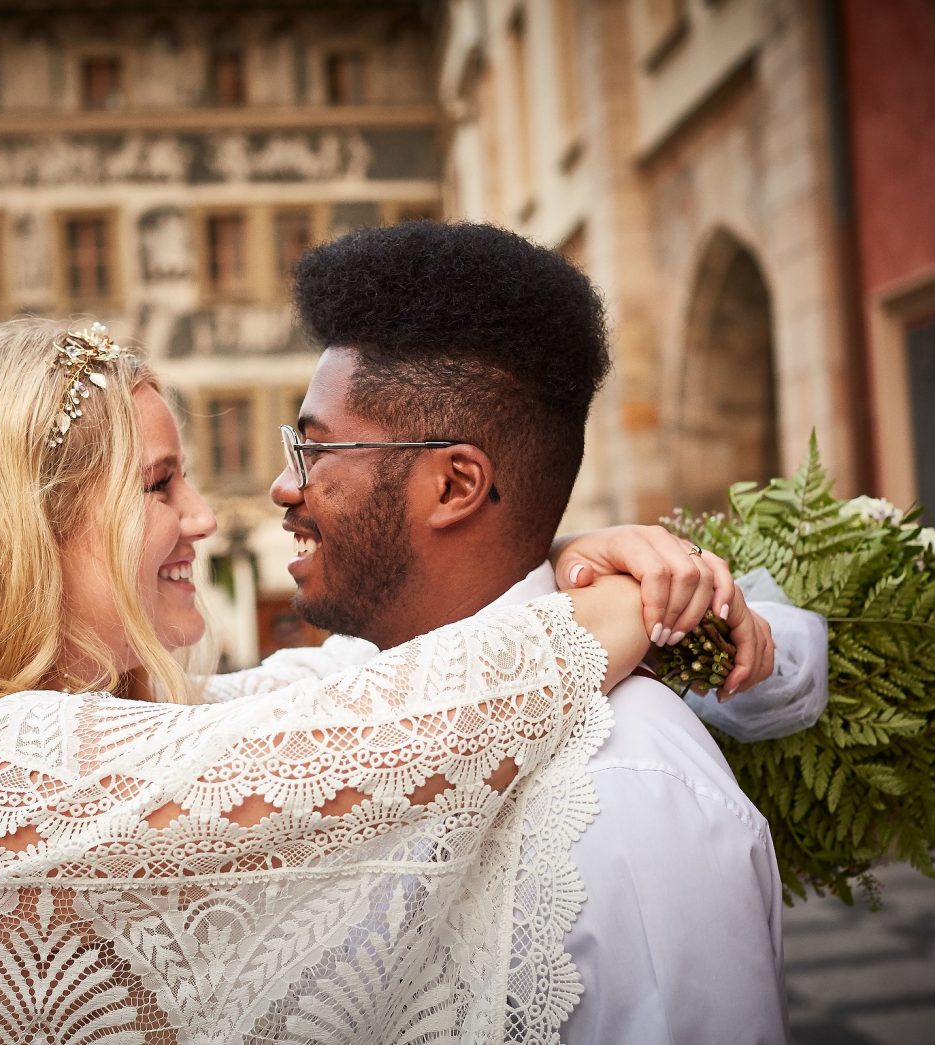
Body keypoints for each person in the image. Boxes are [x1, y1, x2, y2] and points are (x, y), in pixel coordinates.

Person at [0, 318, 685, 1044]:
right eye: (159, 486)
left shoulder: (72, 739)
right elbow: (376, 730)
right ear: (22, 531)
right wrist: (622, 605)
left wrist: (540, 555)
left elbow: (329, 685)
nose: (202, 516)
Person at [244, 221, 793, 1042]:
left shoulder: (632, 797)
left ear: (456, 483)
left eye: (314, 449)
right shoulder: (342, 679)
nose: (284, 486)